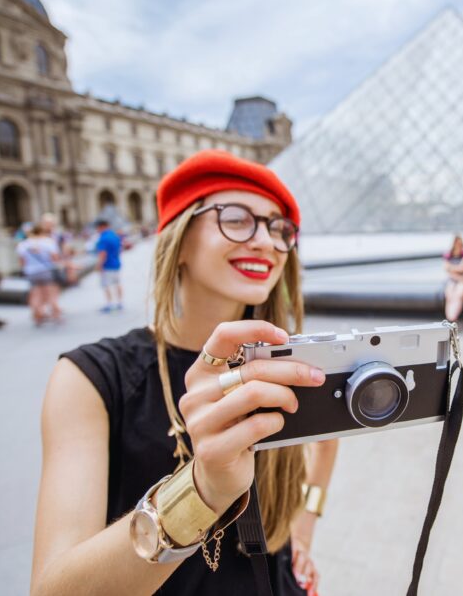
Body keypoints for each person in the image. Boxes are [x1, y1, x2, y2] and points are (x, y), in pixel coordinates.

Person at [32, 150, 337, 595]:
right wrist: (202, 489)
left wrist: (305, 528)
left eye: (279, 228)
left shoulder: (286, 361)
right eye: (236, 219)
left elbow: (326, 443)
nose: (266, 242)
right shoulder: (90, 379)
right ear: (178, 238)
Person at [17, 224, 63, 326]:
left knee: (35, 294)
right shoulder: (48, 242)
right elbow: (55, 258)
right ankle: (56, 314)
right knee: (51, 294)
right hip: (46, 270)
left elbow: (21, 262)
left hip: (31, 272)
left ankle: (38, 316)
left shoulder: (23, 244)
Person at [442, 235, 463, 322]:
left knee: (459, 295)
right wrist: (459, 275)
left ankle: (453, 318)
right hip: (459, 279)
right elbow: (447, 269)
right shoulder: (448, 255)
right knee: (449, 295)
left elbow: (462, 268)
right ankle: (450, 319)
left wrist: (452, 269)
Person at [94, 219, 123, 312]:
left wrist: (99, 265)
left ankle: (109, 304)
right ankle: (119, 302)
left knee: (106, 285)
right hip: (116, 263)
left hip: (107, 265)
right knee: (117, 283)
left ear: (101, 227)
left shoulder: (103, 238)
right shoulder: (115, 236)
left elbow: (102, 253)